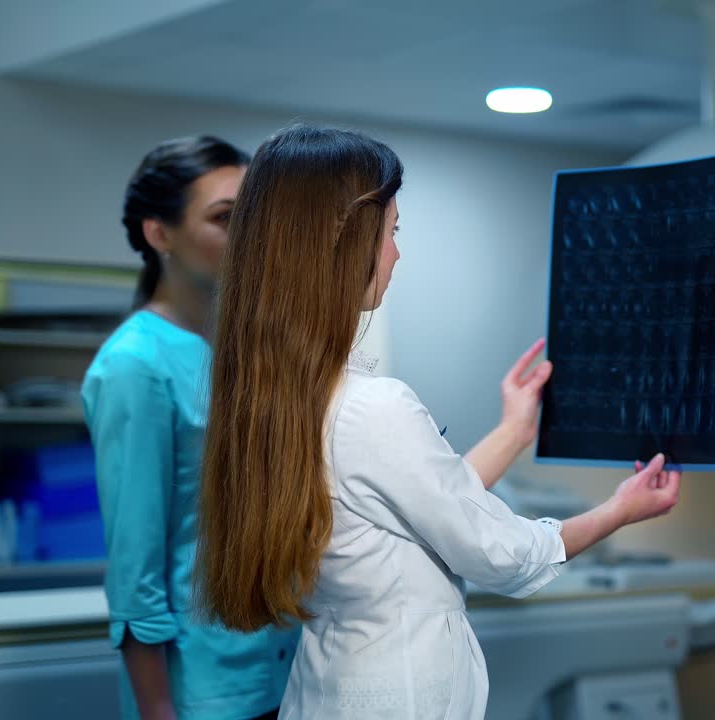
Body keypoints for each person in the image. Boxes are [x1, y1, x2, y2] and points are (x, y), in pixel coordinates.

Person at [196, 125, 681, 720]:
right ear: (342, 242)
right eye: (391, 231)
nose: (397, 251)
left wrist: (514, 430)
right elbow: (505, 555)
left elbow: (418, 507)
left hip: (326, 690)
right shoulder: (376, 407)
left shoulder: (276, 401)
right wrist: (621, 509)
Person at [82, 136, 299, 720]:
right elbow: (135, 569)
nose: (251, 236)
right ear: (160, 234)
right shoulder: (136, 365)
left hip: (289, 673)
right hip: (201, 691)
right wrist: (157, 709)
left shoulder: (250, 349)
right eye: (228, 218)